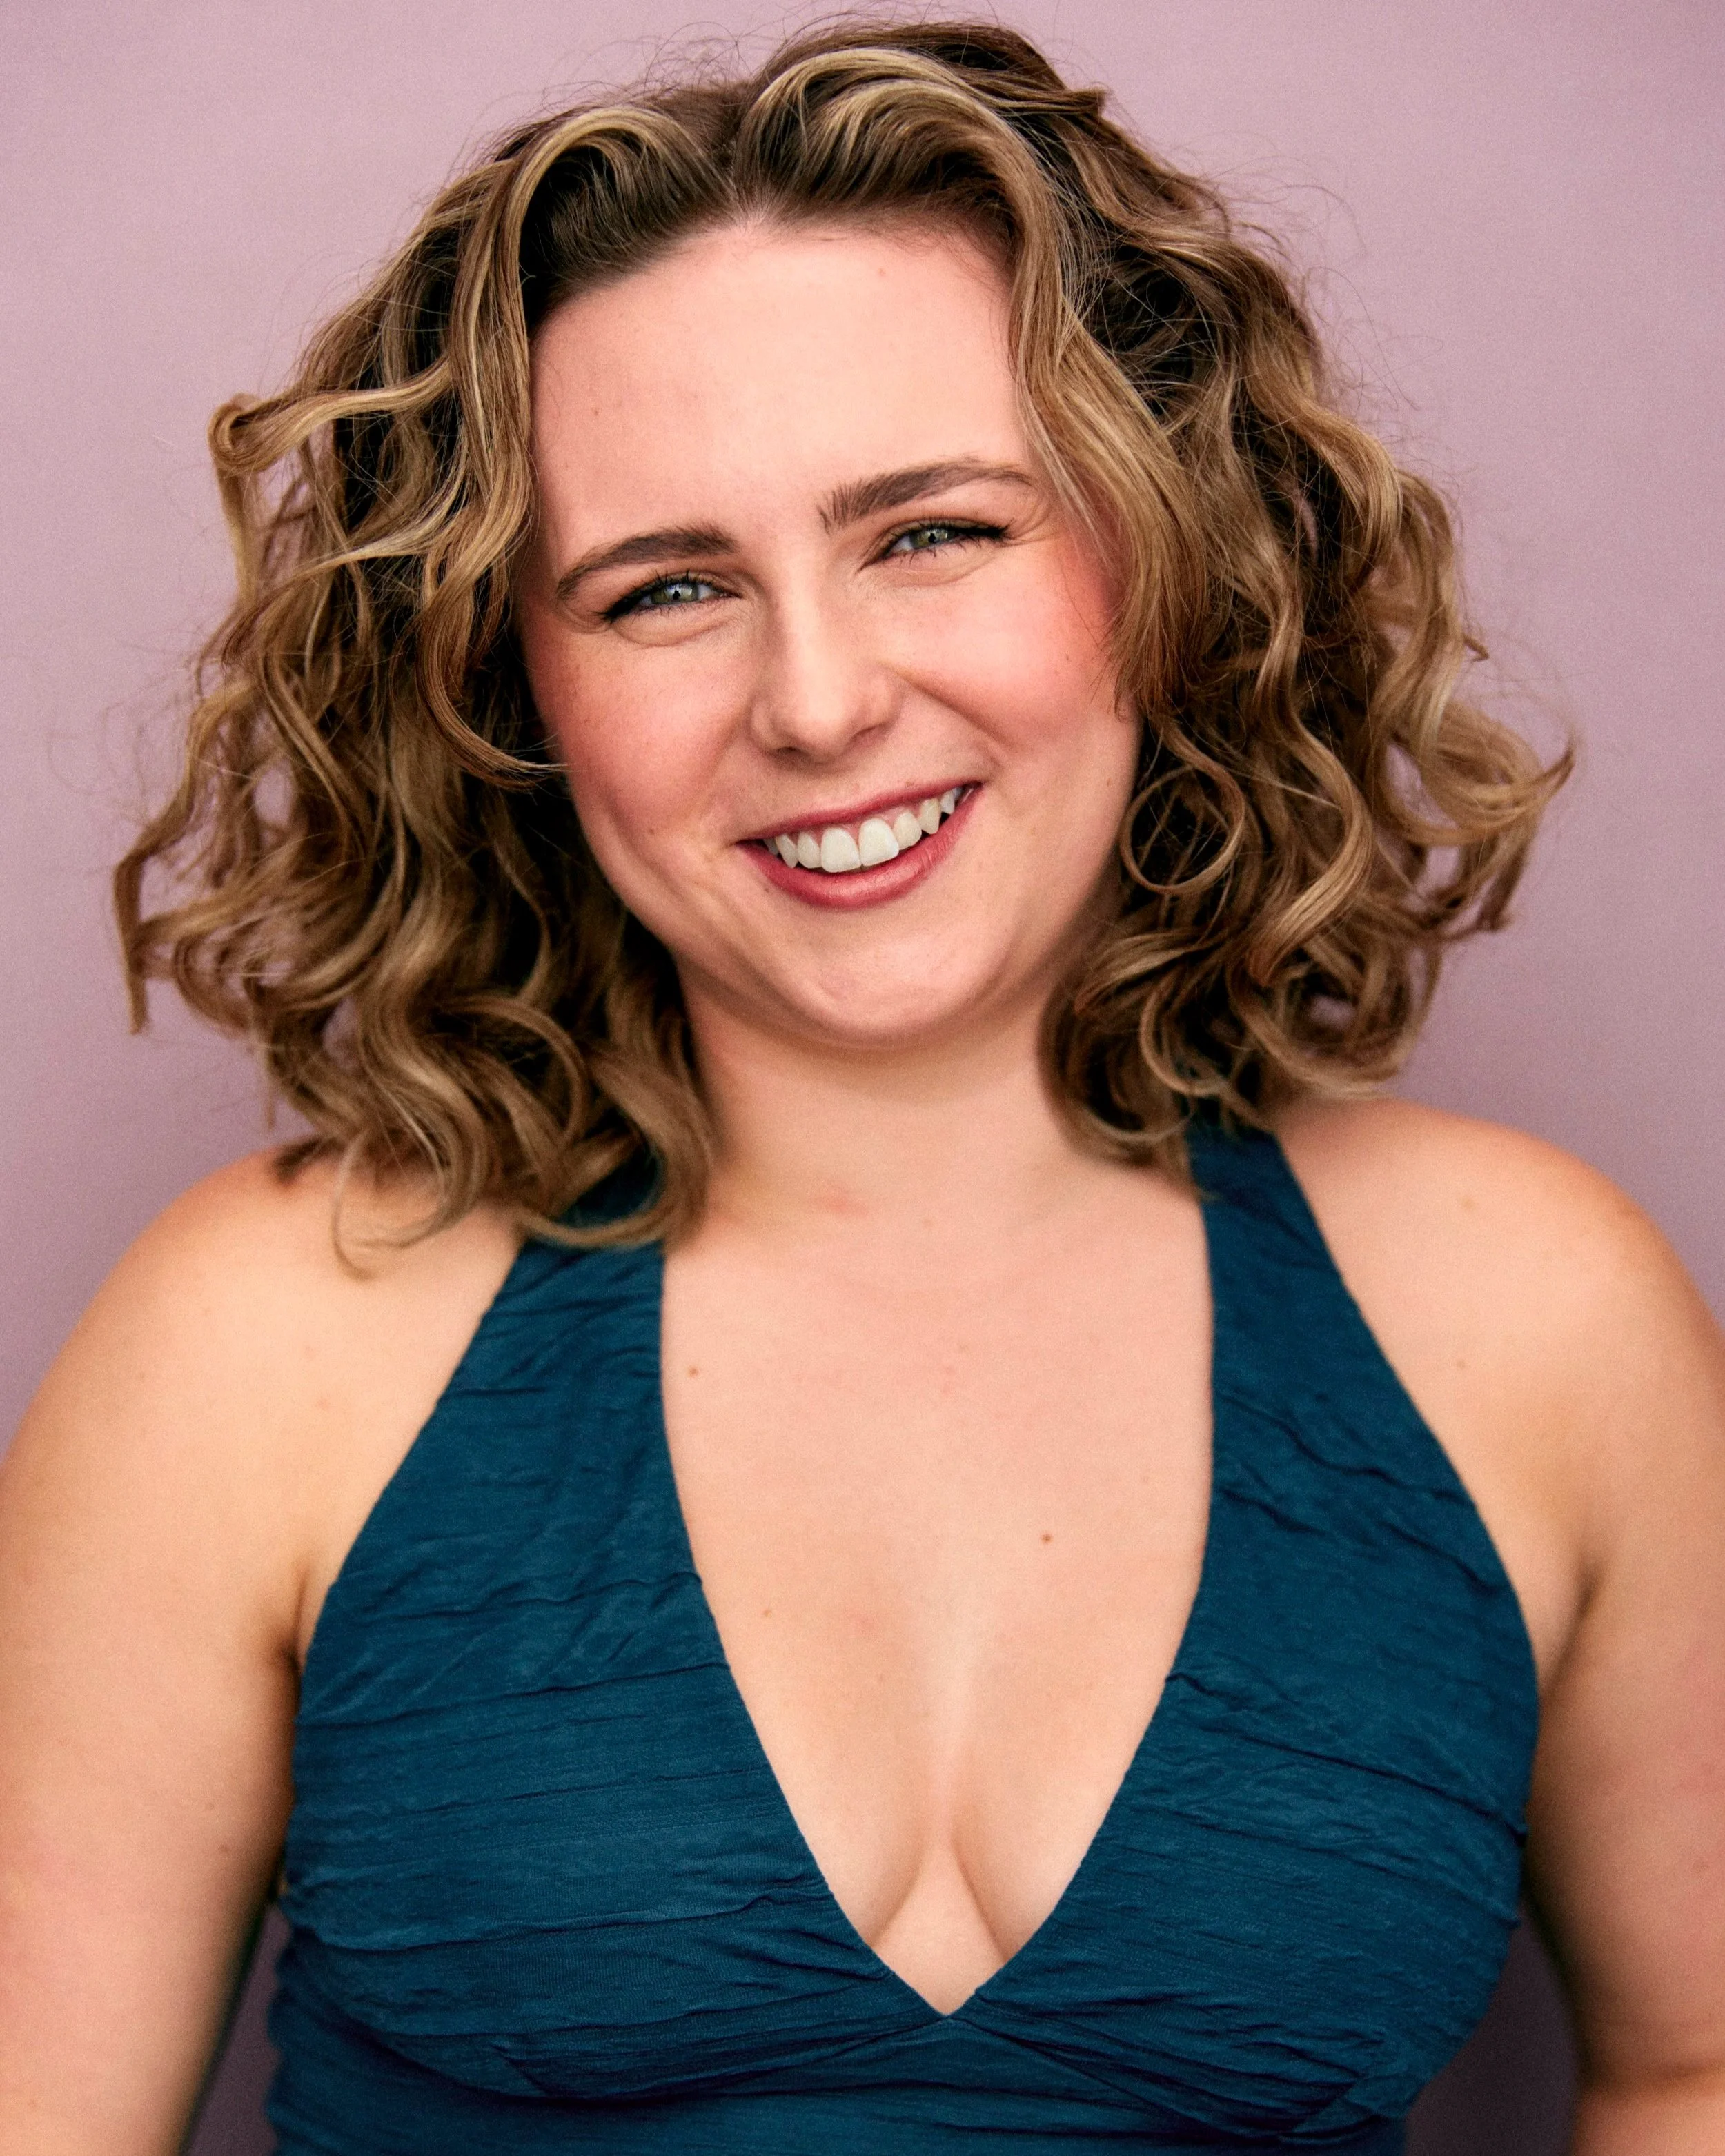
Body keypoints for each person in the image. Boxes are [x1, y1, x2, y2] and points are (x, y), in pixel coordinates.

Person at [1, 18, 1721, 2153]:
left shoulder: (1531, 1315)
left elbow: (1692, 2064)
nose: (816, 700)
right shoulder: (263, 1337)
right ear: (506, 685)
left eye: (931, 532)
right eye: (667, 587)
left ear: (1165, 553)